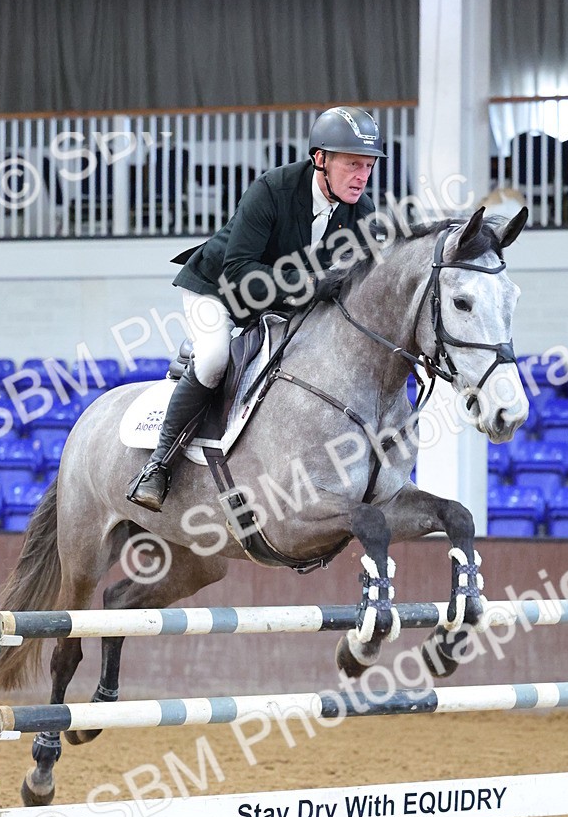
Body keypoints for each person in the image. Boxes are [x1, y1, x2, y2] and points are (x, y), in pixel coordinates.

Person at [126, 105, 385, 513]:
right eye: (353, 164)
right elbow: (239, 270)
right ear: (320, 159)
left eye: (368, 166)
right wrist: (311, 284)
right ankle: (158, 466)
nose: (362, 176)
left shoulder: (362, 213)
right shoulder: (273, 189)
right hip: (218, 293)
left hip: (282, 307)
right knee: (213, 358)